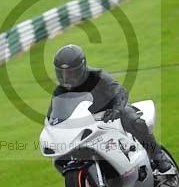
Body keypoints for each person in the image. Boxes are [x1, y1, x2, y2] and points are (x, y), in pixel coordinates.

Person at [49, 44, 172, 173]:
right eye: (61, 73)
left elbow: (120, 92)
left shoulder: (97, 76)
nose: (65, 77)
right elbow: (54, 118)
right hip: (88, 124)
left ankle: (158, 156)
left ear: (81, 67)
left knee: (132, 119)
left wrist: (117, 109)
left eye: (70, 73)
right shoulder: (59, 92)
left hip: (111, 114)